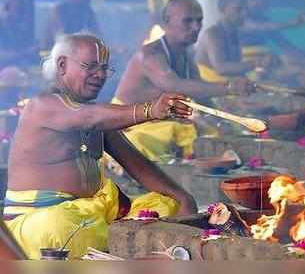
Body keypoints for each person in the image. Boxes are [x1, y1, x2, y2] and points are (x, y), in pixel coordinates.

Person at [3, 33, 197, 259]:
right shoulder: (42, 106)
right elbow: (89, 117)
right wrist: (151, 110)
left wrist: (182, 197)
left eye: (105, 68)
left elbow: (138, 165)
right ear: (62, 65)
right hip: (42, 222)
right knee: (61, 227)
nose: (100, 75)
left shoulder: (98, 115)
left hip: (92, 216)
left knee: (166, 204)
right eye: (91, 66)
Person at [113, 0, 254, 161]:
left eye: (199, 20)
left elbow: (202, 96)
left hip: (161, 119)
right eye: (187, 21)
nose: (195, 27)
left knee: (223, 131)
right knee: (157, 138)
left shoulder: (187, 57)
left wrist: (225, 119)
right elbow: (173, 85)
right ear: (167, 21)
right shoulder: (150, 54)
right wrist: (229, 87)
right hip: (129, 121)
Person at [195, 0, 273, 82]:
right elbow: (221, 68)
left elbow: (236, 69)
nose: (244, 14)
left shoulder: (235, 32)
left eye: (246, 9)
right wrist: (258, 62)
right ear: (222, 10)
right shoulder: (213, 34)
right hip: (208, 88)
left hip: (227, 85)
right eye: (238, 9)